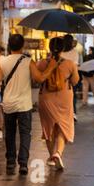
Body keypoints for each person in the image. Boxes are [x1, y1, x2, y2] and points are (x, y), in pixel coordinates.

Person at [0, 34, 57, 175]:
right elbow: (39, 78)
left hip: (8, 104)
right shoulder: (28, 61)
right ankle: (23, 164)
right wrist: (51, 67)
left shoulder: (3, 62)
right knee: (25, 133)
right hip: (24, 105)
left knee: (10, 133)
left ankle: (10, 162)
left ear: (9, 45)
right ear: (22, 45)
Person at [37, 37, 79, 171]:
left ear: (49, 48)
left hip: (46, 97)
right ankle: (58, 153)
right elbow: (76, 81)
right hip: (64, 97)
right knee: (63, 125)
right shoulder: (70, 64)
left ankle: (51, 156)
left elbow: (36, 79)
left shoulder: (42, 63)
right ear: (62, 48)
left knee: (48, 127)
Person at [61, 34, 79, 122]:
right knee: (72, 96)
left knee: (61, 96)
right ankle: (73, 113)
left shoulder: (60, 51)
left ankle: (62, 113)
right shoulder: (75, 52)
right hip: (71, 77)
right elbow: (75, 65)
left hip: (60, 77)